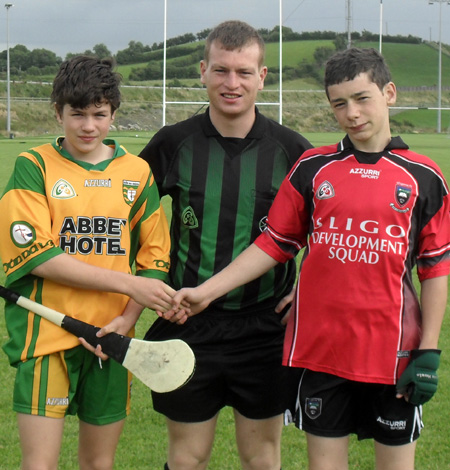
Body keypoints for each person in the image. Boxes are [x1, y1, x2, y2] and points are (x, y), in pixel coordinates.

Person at [169, 47, 450, 470]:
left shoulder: (424, 177)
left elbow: (435, 268)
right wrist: (206, 292)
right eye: (339, 103)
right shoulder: (313, 167)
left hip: (393, 354)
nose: (351, 113)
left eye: (362, 98)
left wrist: (428, 350)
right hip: (320, 353)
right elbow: (273, 243)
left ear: (389, 93)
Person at [137, 20, 312, 470]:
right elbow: (128, 220)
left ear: (262, 76)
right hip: (189, 324)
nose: (231, 83)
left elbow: (331, 235)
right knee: (188, 456)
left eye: (243, 72)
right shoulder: (172, 143)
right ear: (202, 71)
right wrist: (141, 291)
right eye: (220, 71)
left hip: (264, 327)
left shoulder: (294, 151)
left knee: (261, 456)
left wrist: (307, 287)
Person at [0, 56, 175, 470]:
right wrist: (129, 285)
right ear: (57, 111)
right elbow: (40, 256)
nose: (88, 126)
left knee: (99, 463)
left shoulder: (137, 172)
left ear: (114, 113)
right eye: (76, 114)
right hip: (47, 336)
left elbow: (154, 259)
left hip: (111, 339)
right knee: (39, 464)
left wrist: (127, 318)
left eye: (99, 114)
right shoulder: (34, 166)